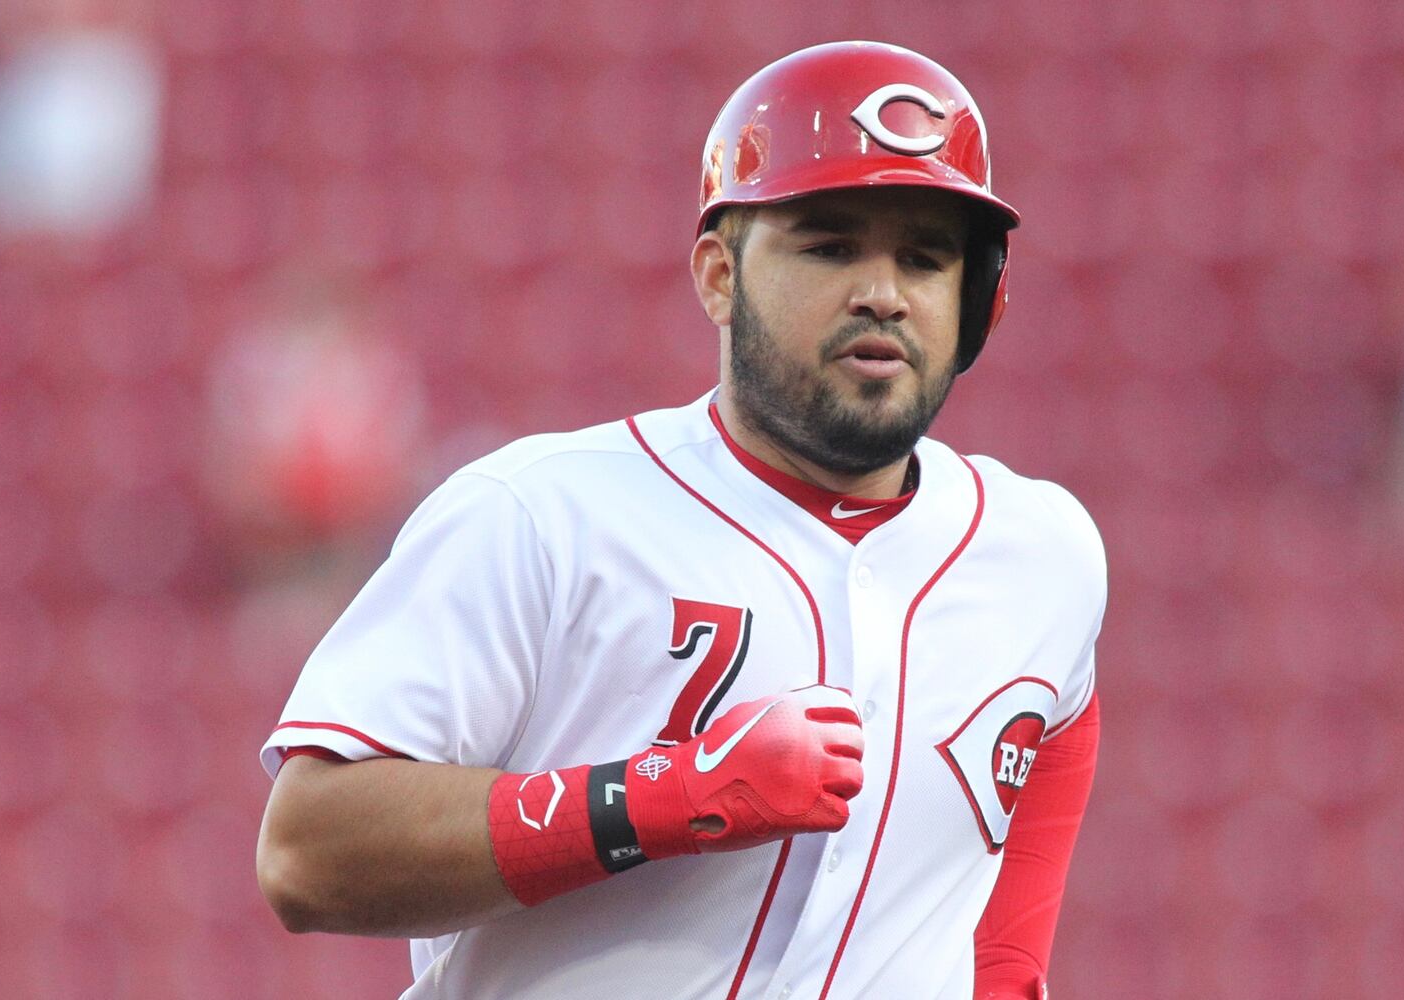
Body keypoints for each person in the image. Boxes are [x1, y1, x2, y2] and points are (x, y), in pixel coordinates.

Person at [256, 41, 1107, 1000]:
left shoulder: (1042, 555)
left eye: (924, 257)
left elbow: (1027, 838)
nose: (882, 292)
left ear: (978, 298)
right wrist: (662, 797)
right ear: (718, 277)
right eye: (828, 245)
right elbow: (306, 854)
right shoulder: (539, 513)